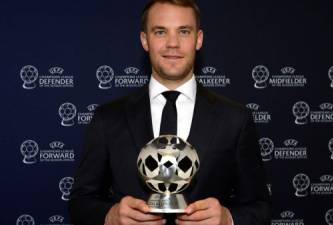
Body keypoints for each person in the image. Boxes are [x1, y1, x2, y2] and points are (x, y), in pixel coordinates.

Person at [68, 0, 271, 224]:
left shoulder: (235, 119)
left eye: (184, 31)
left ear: (199, 39)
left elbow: (260, 207)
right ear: (145, 40)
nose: (172, 43)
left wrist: (228, 218)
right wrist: (111, 216)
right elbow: (80, 203)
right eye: (160, 32)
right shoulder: (108, 117)